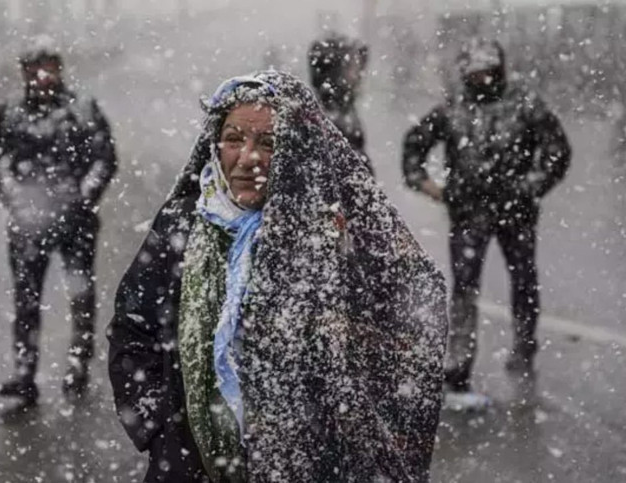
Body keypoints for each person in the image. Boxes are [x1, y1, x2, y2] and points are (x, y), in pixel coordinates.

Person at [108, 71, 447, 482]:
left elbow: (407, 322)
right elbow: (133, 328)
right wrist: (160, 430)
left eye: (268, 143)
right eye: (234, 139)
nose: (248, 157)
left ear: (296, 151)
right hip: (189, 465)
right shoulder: (184, 224)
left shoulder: (330, 237)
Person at [402, 38, 571, 396]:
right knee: (464, 288)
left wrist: (529, 187)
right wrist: (430, 187)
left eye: (487, 72)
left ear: (499, 70)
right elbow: (414, 144)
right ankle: (459, 361)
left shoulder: (524, 103)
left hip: (517, 212)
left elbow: (558, 151)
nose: (481, 80)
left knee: (524, 280)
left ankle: (525, 345)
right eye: (474, 74)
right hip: (468, 212)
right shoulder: (454, 107)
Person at [0, 45, 117, 404]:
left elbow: (106, 159)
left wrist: (83, 198)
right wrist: (18, 202)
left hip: (77, 221)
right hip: (28, 224)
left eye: (48, 68)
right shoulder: (10, 113)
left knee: (81, 295)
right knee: (26, 301)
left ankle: (78, 364)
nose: (41, 76)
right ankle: (25, 374)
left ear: (60, 70)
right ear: (23, 73)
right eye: (33, 69)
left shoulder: (83, 109)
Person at [308, 34, 372, 172]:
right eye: (353, 67)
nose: (359, 75)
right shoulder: (329, 117)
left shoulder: (342, 107)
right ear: (336, 72)